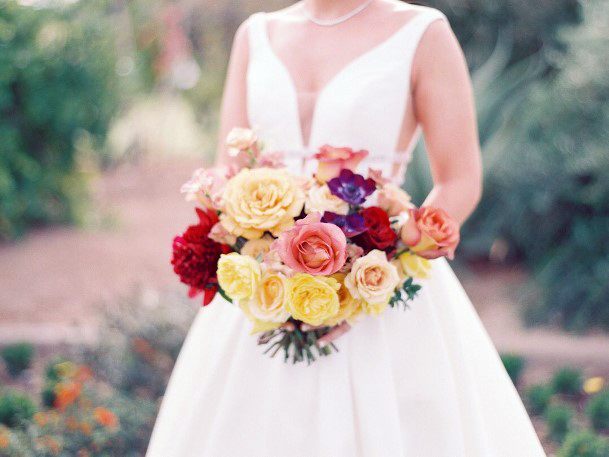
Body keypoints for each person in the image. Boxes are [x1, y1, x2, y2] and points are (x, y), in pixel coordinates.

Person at [147, 1, 546, 455]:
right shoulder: (256, 34)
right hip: (263, 292)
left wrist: (366, 274)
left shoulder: (423, 33)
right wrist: (248, 241)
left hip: (380, 288)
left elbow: (459, 180)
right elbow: (230, 165)